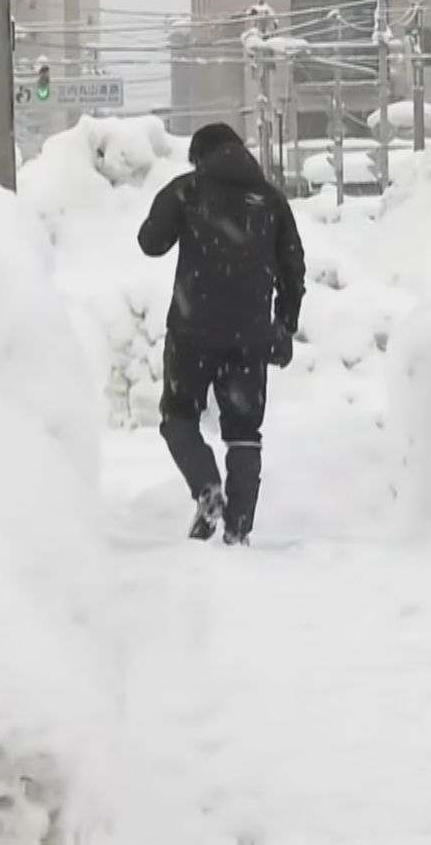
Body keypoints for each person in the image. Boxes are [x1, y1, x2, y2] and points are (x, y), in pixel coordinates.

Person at [137, 123, 306, 545]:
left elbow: (151, 242)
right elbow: (293, 268)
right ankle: (238, 531)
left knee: (179, 416)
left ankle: (206, 485)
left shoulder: (188, 190)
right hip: (250, 335)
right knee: (245, 433)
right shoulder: (270, 201)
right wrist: (284, 325)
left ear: (200, 157)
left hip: (192, 330)